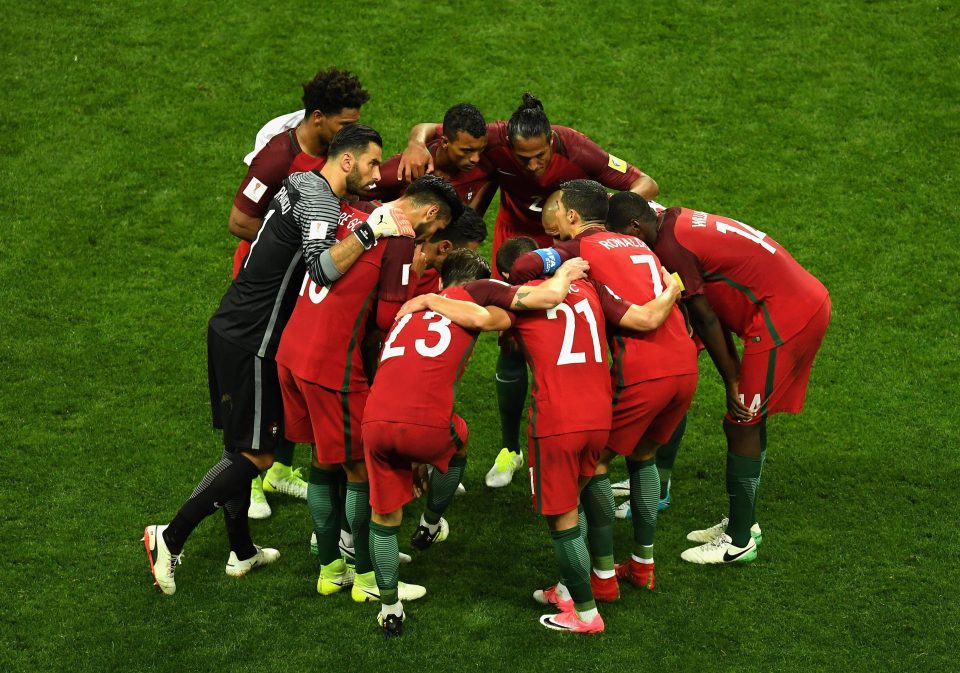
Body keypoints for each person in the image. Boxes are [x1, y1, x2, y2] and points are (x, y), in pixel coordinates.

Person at [143, 124, 408, 595]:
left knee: (236, 450)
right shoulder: (322, 200)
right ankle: (170, 535)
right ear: (346, 161)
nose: (376, 172)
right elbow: (323, 269)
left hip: (230, 322)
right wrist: (370, 230)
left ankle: (241, 550)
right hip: (256, 339)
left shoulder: (300, 179)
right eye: (371, 163)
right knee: (258, 453)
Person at [398, 93, 660, 490]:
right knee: (512, 340)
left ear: (552, 142)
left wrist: (602, 222)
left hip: (571, 240)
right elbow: (434, 129)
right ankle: (509, 449)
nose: (534, 166)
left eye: (540, 157)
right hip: (518, 243)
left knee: (587, 328)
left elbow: (645, 183)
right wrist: (417, 141)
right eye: (524, 160)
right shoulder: (497, 137)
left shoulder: (576, 147)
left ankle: (587, 433)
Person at [420, 237, 680, 634]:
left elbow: (479, 319)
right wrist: (674, 287)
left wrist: (429, 301)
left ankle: (585, 614)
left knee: (562, 518)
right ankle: (591, 581)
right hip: (599, 414)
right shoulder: (591, 289)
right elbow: (639, 318)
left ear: (511, 274)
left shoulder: (517, 301)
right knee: (592, 481)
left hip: (557, 420)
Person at [362, 248, 584, 636]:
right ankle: (431, 524)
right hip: (428, 425)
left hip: (375, 418)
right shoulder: (474, 294)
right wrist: (562, 273)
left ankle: (390, 608)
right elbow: (523, 307)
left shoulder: (407, 310)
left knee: (383, 519)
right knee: (458, 441)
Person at [606, 191, 831, 564]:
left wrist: (732, 379)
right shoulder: (671, 220)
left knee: (742, 419)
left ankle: (739, 541)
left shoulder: (670, 247)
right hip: (789, 304)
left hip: (786, 317)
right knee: (742, 423)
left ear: (635, 226)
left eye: (628, 237)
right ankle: (745, 521)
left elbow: (707, 317)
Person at [273, 174, 462, 602]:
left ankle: (329, 570)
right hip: (331, 366)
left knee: (323, 461)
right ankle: (365, 578)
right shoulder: (398, 237)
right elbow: (386, 318)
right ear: (430, 213)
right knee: (361, 470)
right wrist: (424, 290)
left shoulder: (353, 214)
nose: (425, 239)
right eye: (433, 230)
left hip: (293, 349)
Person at [508, 180, 698, 593]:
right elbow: (672, 286)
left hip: (642, 371)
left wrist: (560, 271)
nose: (552, 218)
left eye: (557, 210)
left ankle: (603, 577)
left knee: (594, 465)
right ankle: (644, 565)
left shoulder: (579, 249)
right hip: (684, 366)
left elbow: (521, 269)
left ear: (572, 216)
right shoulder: (639, 245)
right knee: (645, 455)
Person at [228, 69, 370, 517]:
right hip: (270, 280)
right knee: (263, 375)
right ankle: (247, 480)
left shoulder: (334, 156)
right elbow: (239, 221)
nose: (351, 134)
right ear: (318, 117)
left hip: (305, 275)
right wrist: (293, 242)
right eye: (345, 125)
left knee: (293, 369)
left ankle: (280, 470)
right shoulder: (278, 156)